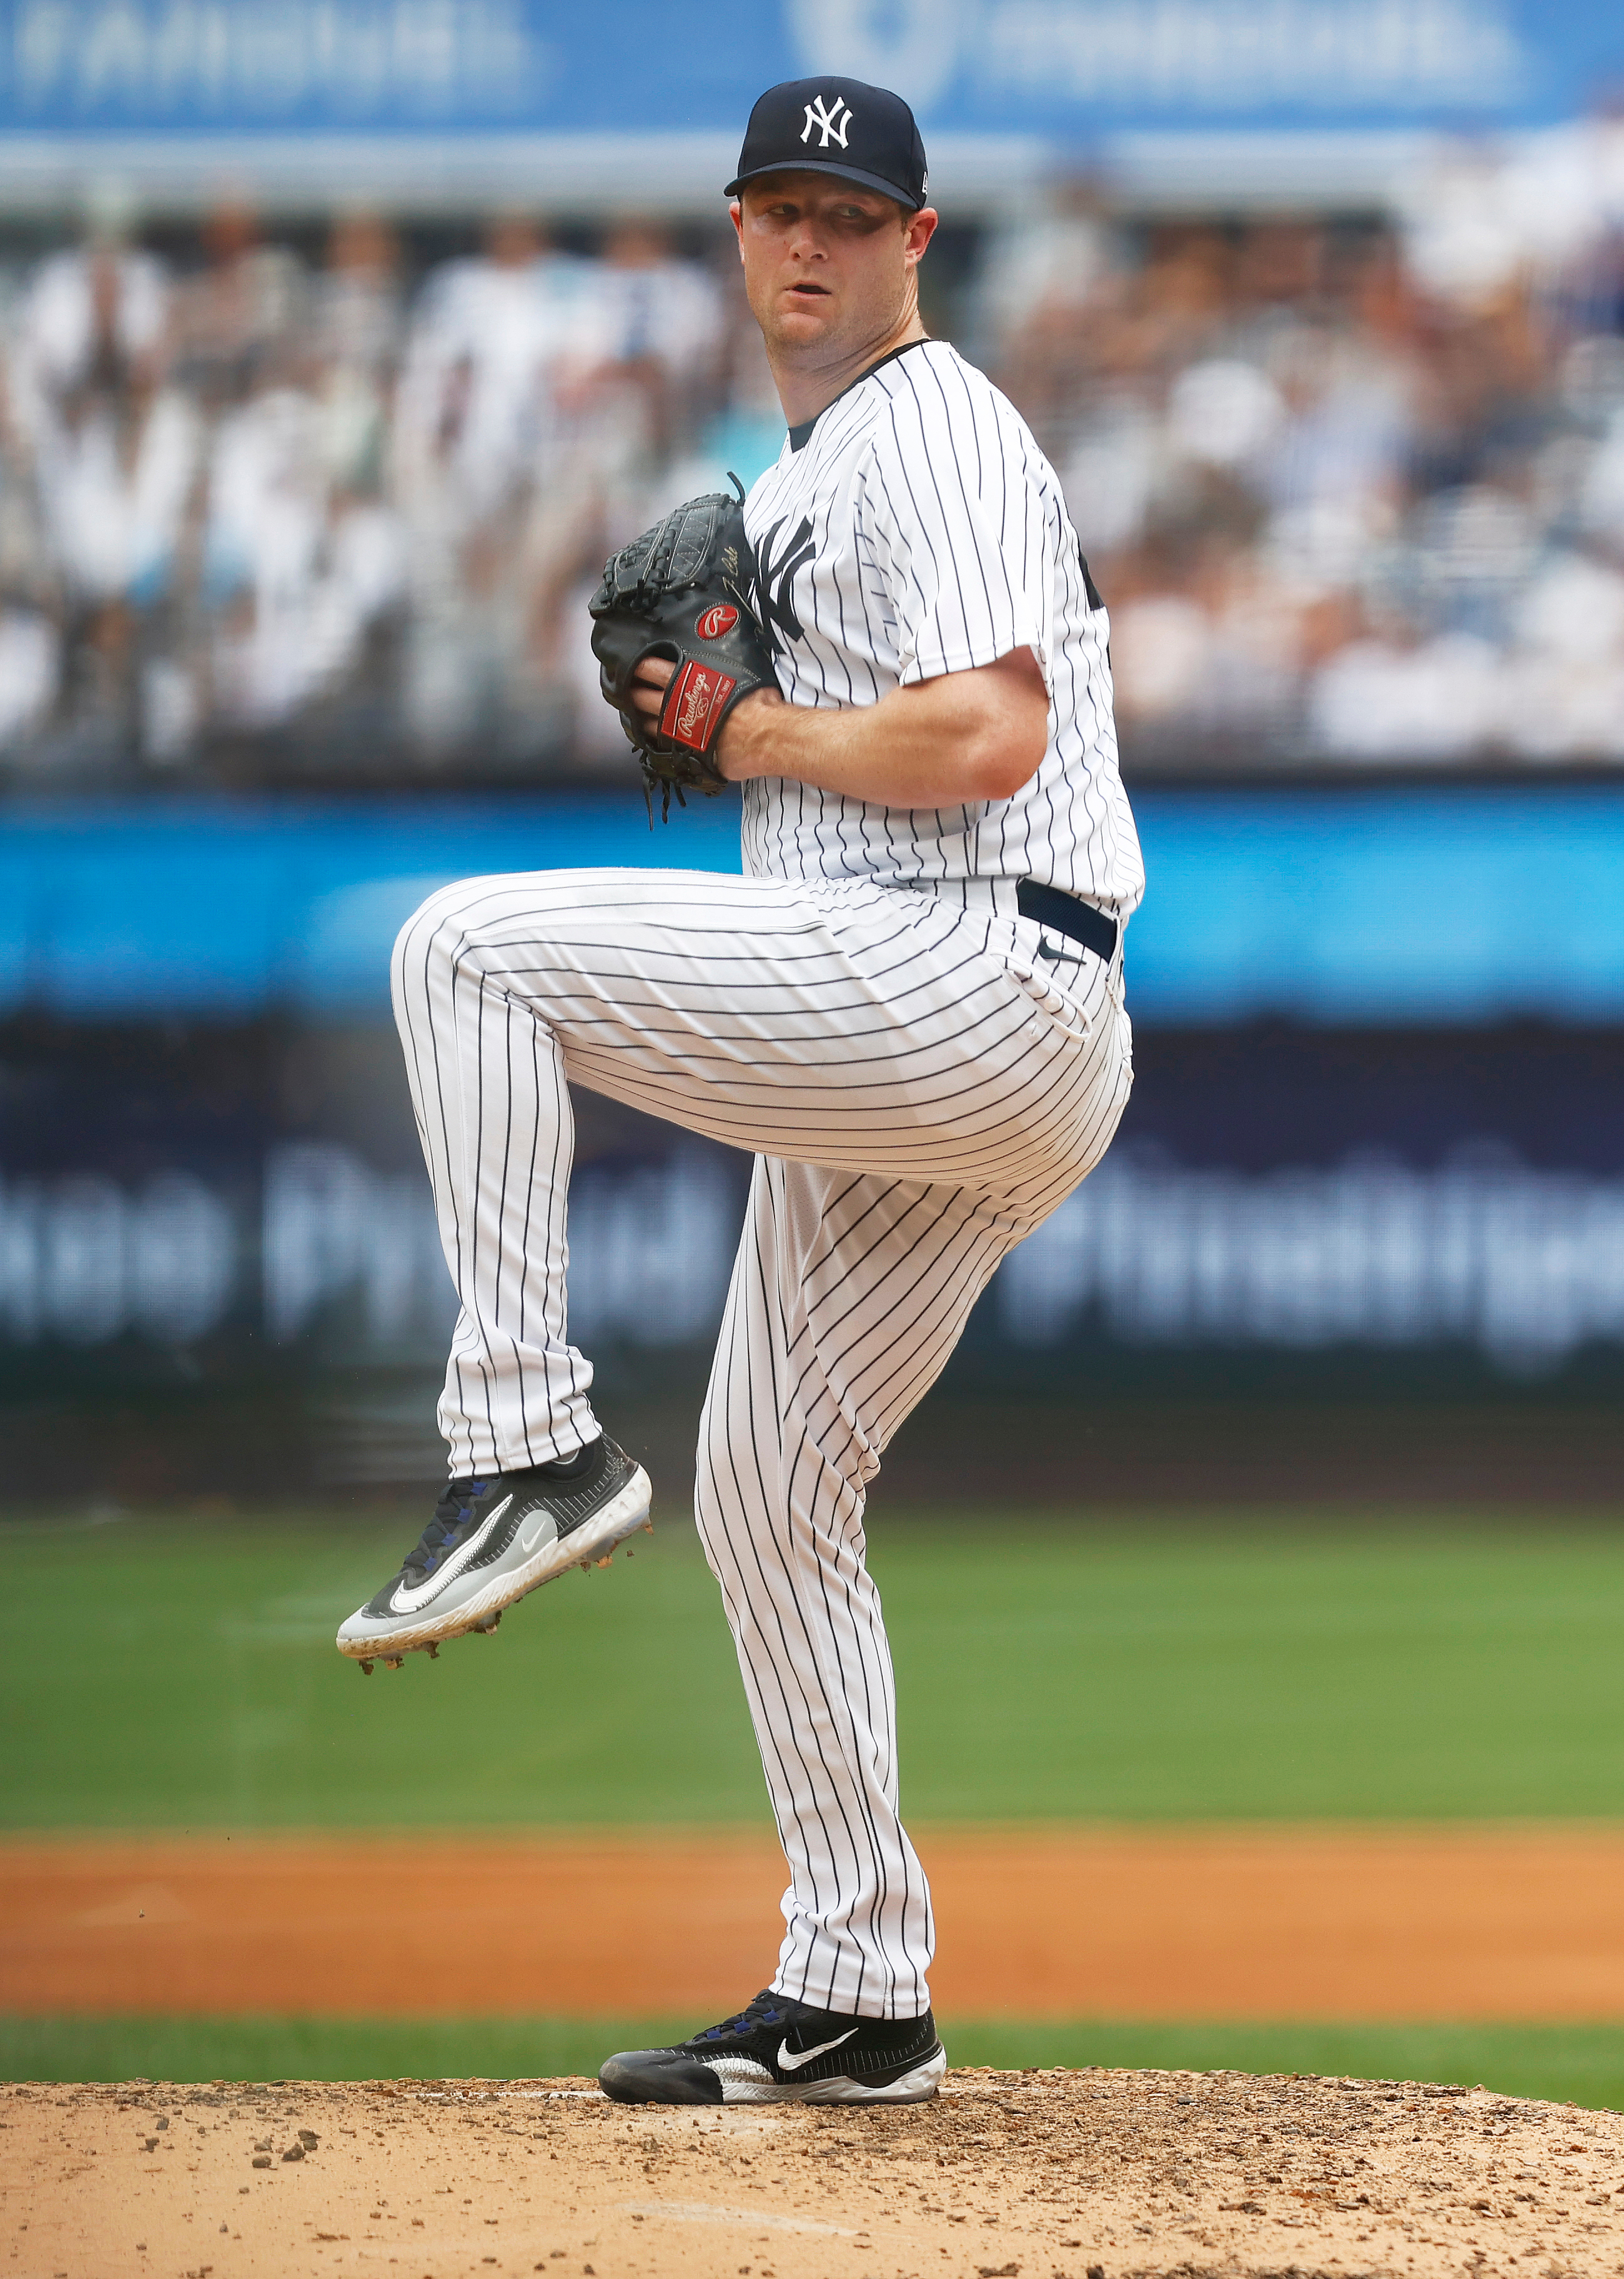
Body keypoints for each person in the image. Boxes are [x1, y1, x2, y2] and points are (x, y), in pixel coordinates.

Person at [329, 76, 1141, 2100]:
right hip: (961, 1011)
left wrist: (756, 722)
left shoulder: (935, 422)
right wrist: (749, 719)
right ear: (735, 228)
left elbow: (975, 738)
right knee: (775, 1492)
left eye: (848, 216)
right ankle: (861, 1982)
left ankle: (524, 1437)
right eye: (777, 207)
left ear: (913, 243)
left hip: (976, 956)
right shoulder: (798, 473)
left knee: (466, 947)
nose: (807, 243)